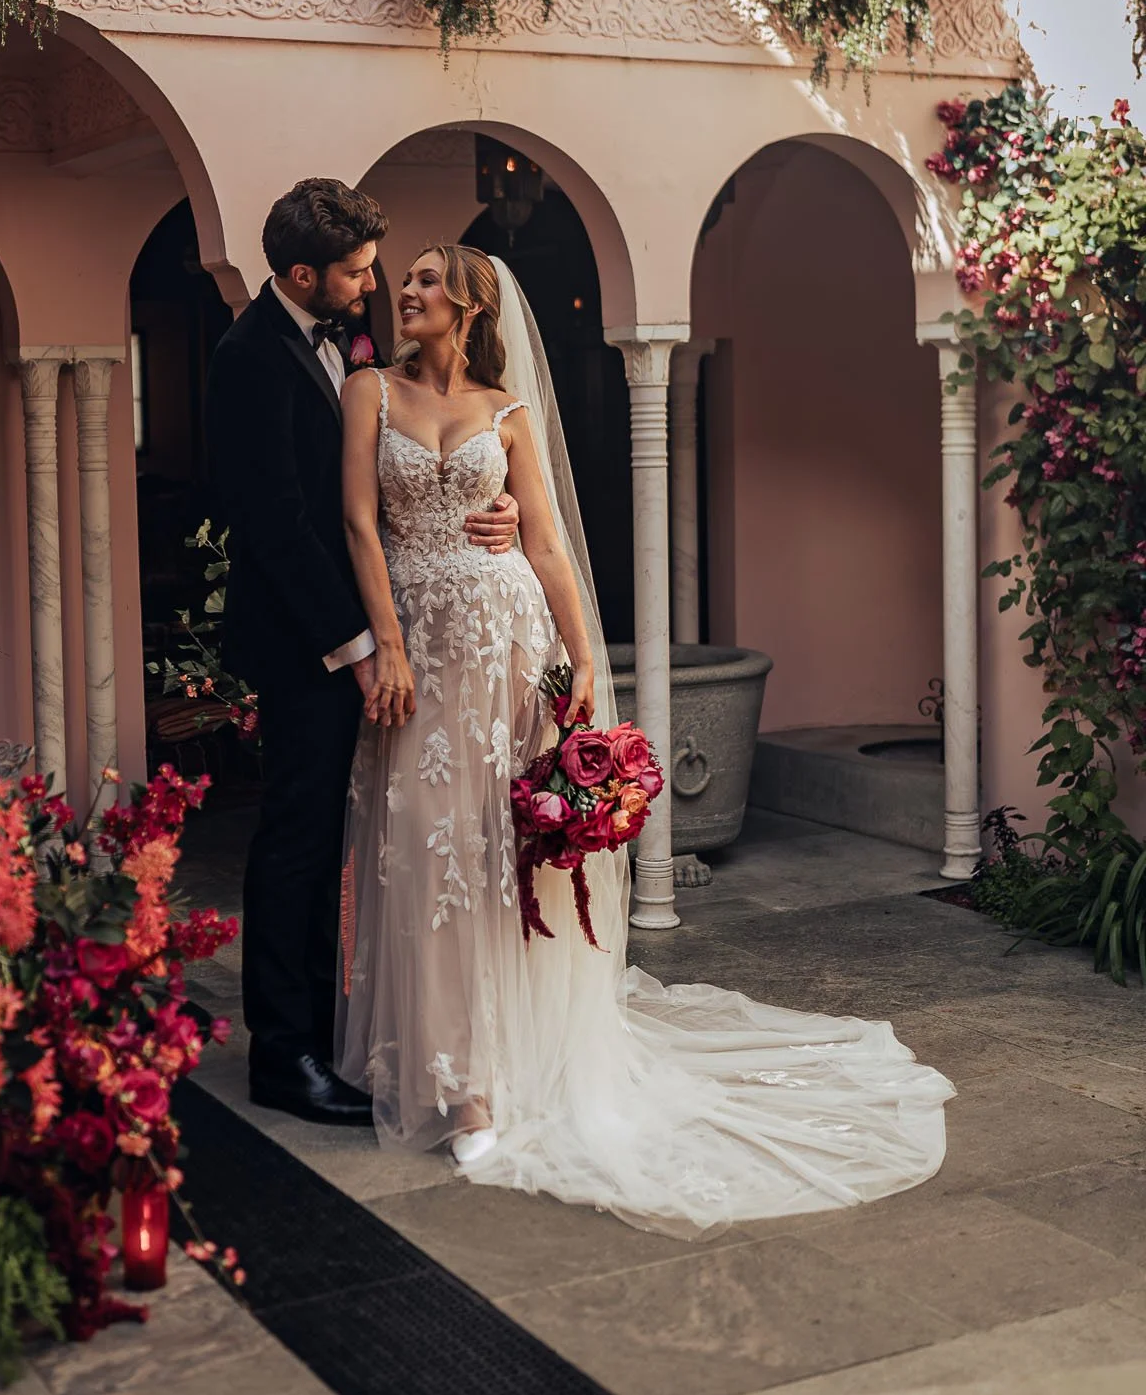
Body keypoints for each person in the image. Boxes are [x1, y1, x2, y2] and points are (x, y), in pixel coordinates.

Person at [334, 244, 954, 1232]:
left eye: (423, 279)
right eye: (399, 279)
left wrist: (580, 662)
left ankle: (508, 1058)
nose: (403, 291)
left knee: (511, 857)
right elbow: (360, 525)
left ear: (469, 301)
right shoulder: (369, 389)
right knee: (431, 850)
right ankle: (456, 1081)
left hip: (512, 647)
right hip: (428, 659)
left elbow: (542, 543)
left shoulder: (508, 409)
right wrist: (391, 649)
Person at [205, 182, 518, 1126]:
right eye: (356, 270)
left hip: (385, 627)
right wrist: (357, 644)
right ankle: (283, 1054)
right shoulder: (249, 356)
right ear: (304, 274)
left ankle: (346, 1028)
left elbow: (387, 483)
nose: (373, 282)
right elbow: (279, 523)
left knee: (353, 836)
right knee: (297, 842)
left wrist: (489, 511)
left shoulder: (342, 341)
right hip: (312, 641)